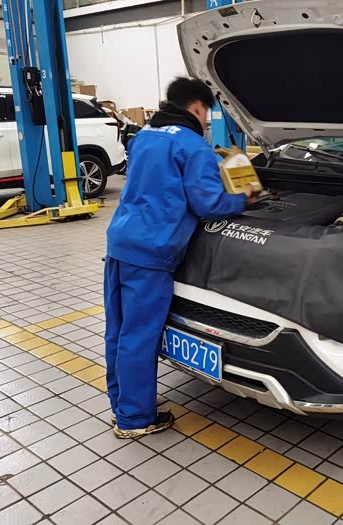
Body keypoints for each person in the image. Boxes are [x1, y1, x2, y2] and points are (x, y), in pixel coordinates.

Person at [104, 77, 257, 439]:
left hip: (121, 241)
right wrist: (244, 198)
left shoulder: (144, 136)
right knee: (140, 335)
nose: (205, 121)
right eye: (206, 114)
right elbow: (208, 204)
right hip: (152, 251)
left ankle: (122, 404)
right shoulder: (192, 145)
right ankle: (135, 419)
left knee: (119, 331)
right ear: (198, 107)